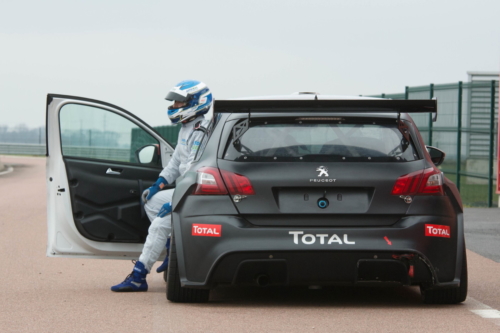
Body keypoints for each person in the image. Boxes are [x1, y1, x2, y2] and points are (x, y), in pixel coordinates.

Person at [111, 80, 212, 292]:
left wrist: (176, 200)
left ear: (196, 102)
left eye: (178, 102)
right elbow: (175, 163)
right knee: (151, 202)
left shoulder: (202, 130)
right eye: (174, 102)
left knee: (158, 225)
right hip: (185, 188)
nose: (173, 106)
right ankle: (170, 246)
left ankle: (139, 276)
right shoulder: (186, 128)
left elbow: (195, 171)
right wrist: (159, 184)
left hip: (195, 192)